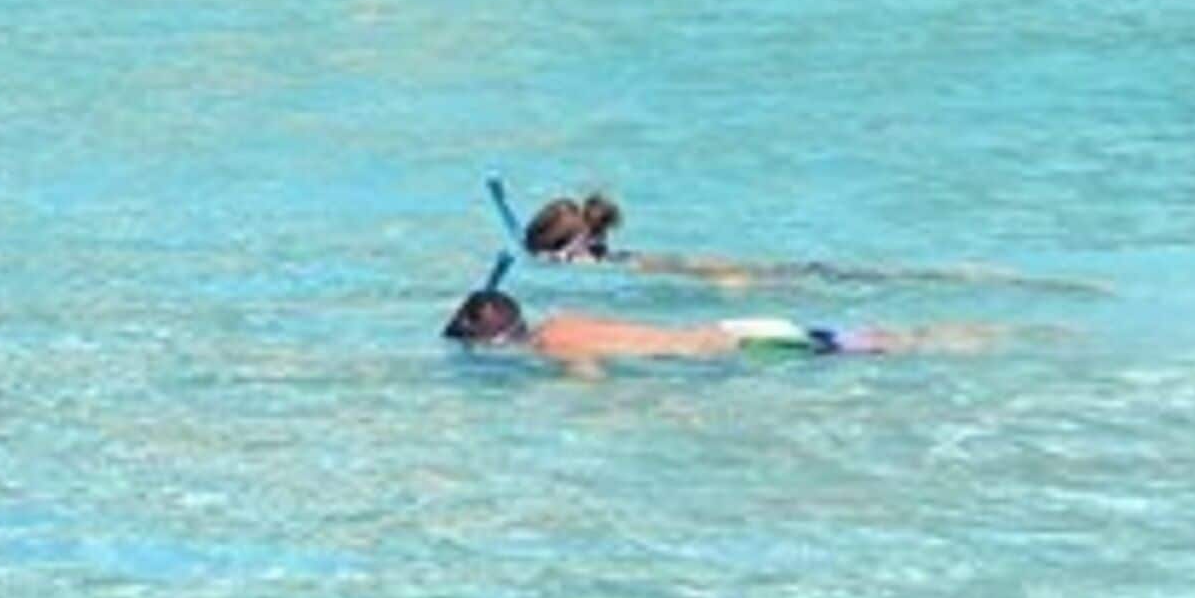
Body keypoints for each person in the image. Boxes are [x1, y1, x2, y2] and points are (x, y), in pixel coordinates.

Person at [515, 188, 1106, 295]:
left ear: (577, 251)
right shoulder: (621, 262)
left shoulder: (626, 272)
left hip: (781, 277)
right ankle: (985, 275)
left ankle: (996, 278)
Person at [441, 287, 985, 373]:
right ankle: (972, 335)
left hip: (747, 348)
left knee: (895, 351)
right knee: (895, 342)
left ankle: (982, 341)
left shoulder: (553, 345)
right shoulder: (563, 319)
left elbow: (593, 388)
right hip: (737, 329)